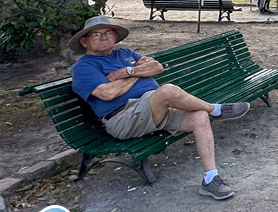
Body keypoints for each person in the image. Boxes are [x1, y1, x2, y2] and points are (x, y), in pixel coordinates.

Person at [70, 16, 250, 200]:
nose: (104, 37)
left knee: (199, 117)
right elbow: (108, 93)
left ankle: (211, 179)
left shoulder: (125, 53)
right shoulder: (84, 67)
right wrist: (139, 73)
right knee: (168, 91)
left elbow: (157, 67)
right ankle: (216, 110)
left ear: (115, 36)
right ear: (84, 41)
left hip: (154, 110)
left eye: (109, 32)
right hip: (124, 118)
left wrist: (127, 72)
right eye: (96, 34)